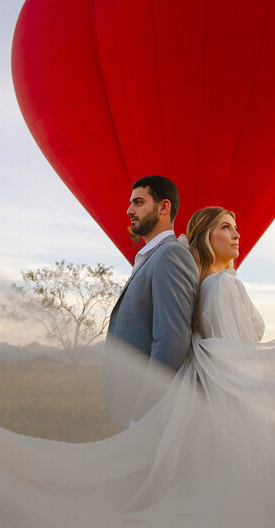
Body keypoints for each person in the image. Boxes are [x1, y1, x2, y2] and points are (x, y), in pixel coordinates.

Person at [102, 175, 199, 427]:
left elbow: (171, 343)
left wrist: (144, 413)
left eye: (138, 202)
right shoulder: (150, 257)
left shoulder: (170, 255)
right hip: (129, 404)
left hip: (146, 414)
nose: (128, 210)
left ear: (164, 207)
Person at [182, 206, 264, 342]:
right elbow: (234, 349)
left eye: (235, 228)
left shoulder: (200, 287)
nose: (237, 235)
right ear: (205, 236)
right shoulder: (223, 282)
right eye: (225, 227)